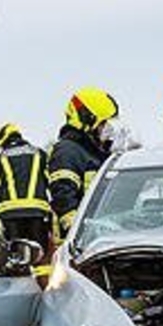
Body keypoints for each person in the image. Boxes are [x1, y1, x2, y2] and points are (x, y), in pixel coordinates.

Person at [47, 87, 120, 239]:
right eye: (103, 123)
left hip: (104, 237)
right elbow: (63, 196)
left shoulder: (97, 152)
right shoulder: (67, 151)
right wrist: (79, 232)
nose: (107, 129)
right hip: (82, 244)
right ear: (87, 119)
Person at [0, 123, 54, 279]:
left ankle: (21, 285)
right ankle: (43, 286)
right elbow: (50, 180)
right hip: (37, 214)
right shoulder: (39, 154)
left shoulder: (1, 158)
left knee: (17, 256)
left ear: (3, 139)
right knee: (40, 256)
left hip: (10, 216)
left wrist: (8, 198)